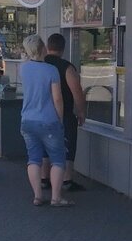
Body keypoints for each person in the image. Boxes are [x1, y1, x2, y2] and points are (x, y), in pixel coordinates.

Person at [20, 35, 73, 207]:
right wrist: (60, 119)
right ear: (42, 48)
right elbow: (57, 99)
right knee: (58, 159)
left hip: (27, 120)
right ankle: (56, 198)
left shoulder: (23, 68)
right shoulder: (51, 70)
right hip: (49, 120)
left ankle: (37, 196)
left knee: (33, 159)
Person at [42, 32, 87, 193]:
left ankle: (43, 178)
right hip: (65, 113)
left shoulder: (40, 65)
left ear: (48, 47)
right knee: (67, 145)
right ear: (63, 48)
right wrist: (81, 111)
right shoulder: (66, 67)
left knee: (44, 146)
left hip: (43, 113)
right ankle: (67, 180)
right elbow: (77, 91)